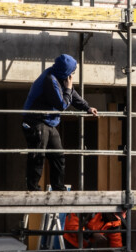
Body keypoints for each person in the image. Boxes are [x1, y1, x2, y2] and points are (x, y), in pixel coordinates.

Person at [22, 53, 97, 191]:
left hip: (49, 121)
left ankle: (58, 186)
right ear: (66, 72)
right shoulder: (49, 80)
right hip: (35, 121)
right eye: (72, 72)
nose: (72, 76)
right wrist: (68, 88)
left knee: (58, 155)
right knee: (38, 154)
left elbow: (73, 96)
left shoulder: (62, 77)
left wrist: (87, 107)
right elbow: (61, 105)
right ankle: (32, 188)